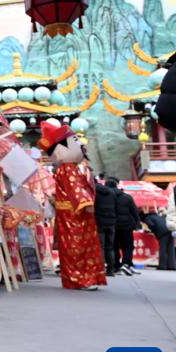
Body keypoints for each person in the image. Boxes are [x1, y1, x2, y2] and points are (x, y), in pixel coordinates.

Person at [40, 121, 106, 290]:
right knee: (77, 245)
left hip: (70, 211)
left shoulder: (68, 168)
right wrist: (86, 202)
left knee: (73, 245)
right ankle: (81, 278)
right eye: (75, 141)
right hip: (75, 213)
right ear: (60, 151)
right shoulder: (68, 168)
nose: (81, 145)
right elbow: (75, 189)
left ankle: (76, 278)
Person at [109, 177, 141, 275]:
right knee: (128, 246)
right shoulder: (127, 197)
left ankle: (116, 265)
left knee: (114, 246)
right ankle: (126, 264)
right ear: (117, 186)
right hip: (126, 226)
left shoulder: (107, 197)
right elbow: (134, 211)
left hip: (113, 225)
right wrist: (137, 223)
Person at [94, 178, 118, 276]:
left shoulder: (94, 193)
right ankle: (111, 269)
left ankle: (100, 269)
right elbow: (116, 207)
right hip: (111, 222)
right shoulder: (112, 193)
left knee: (101, 246)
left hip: (99, 222)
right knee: (110, 247)